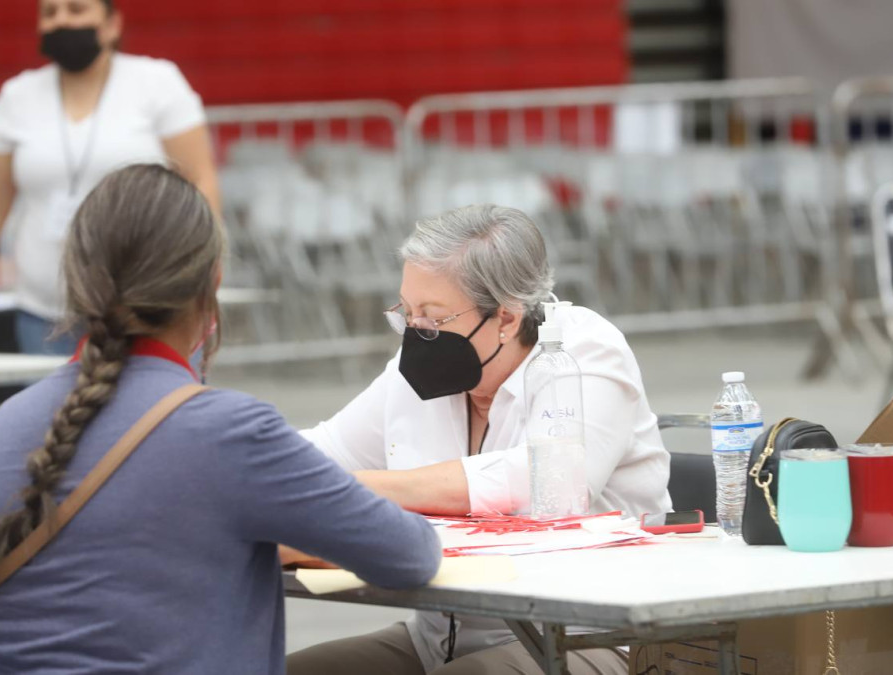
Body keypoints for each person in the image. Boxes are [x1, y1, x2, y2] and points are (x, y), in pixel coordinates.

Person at [0, 165, 440, 675]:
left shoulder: (9, 423)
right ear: (212, 282)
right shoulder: (230, 432)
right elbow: (410, 555)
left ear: (77, 283)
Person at [288, 204, 672, 675]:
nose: (415, 334)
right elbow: (323, 451)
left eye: (432, 317)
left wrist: (361, 490)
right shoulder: (415, 372)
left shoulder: (584, 353)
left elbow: (542, 480)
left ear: (507, 318)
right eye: (406, 314)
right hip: (437, 640)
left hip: (585, 637)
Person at [0, 0, 220, 355]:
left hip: (152, 310)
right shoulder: (16, 97)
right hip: (45, 315)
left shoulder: (158, 84)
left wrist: (204, 270)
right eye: (50, 12)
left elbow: (200, 181)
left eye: (76, 10)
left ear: (112, 24)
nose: (62, 20)